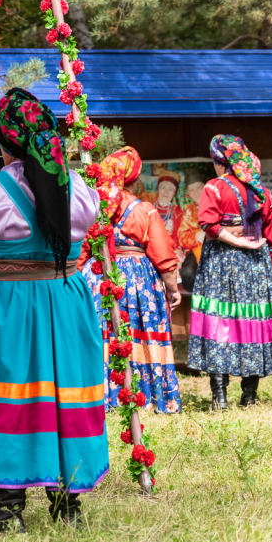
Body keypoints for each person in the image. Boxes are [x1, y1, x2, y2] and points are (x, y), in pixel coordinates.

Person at [0, 88, 108, 533]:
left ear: (4, 142)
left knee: (7, 396)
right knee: (61, 393)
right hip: (62, 304)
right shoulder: (77, 189)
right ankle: (66, 507)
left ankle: (8, 511)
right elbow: (80, 225)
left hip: (4, 312)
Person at [80, 147, 182, 414]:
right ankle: (143, 396)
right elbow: (162, 254)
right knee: (139, 333)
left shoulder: (93, 207)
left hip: (99, 278)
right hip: (138, 284)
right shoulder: (144, 211)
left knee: (103, 334)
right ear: (131, 179)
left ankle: (100, 397)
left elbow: (81, 251)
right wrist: (173, 289)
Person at [188, 135, 272, 408]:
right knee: (251, 322)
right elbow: (270, 234)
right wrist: (270, 260)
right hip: (255, 264)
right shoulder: (259, 190)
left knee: (220, 321)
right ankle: (249, 396)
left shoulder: (214, 187)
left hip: (221, 261)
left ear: (222, 162)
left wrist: (236, 241)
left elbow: (209, 225)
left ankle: (220, 398)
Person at [177, 164, 207, 262]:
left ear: (204, 187)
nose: (196, 192)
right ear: (188, 193)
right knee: (187, 272)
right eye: (191, 190)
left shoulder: (217, 206)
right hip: (195, 250)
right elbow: (182, 238)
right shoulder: (187, 213)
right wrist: (197, 236)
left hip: (215, 249)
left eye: (198, 188)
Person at [153, 170, 183, 250]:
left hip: (170, 250)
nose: (166, 192)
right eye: (163, 188)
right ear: (158, 189)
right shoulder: (149, 208)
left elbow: (178, 237)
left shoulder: (177, 211)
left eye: (170, 189)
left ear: (174, 193)